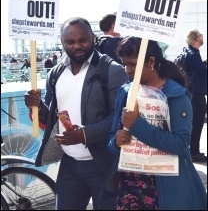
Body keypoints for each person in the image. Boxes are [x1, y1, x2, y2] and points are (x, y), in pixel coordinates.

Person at [24, 17, 128, 210]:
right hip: (69, 165)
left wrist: (85, 134)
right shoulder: (55, 73)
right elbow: (51, 118)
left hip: (104, 164)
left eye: (83, 40)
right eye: (70, 42)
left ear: (93, 38)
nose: (77, 46)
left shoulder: (113, 70)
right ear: (62, 42)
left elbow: (118, 119)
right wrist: (35, 106)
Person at [99, 36, 207, 210]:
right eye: (124, 64)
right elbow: (113, 140)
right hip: (130, 186)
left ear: (150, 61)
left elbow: (180, 144)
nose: (127, 70)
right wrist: (116, 142)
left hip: (165, 187)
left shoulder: (176, 95)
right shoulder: (126, 91)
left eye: (133, 64)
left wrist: (137, 124)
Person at [185, 29, 207, 162]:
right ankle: (194, 152)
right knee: (197, 123)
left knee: (195, 123)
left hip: (194, 93)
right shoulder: (193, 54)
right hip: (196, 94)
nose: (202, 37)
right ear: (195, 39)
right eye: (200, 36)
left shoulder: (192, 54)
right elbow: (203, 72)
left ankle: (193, 151)